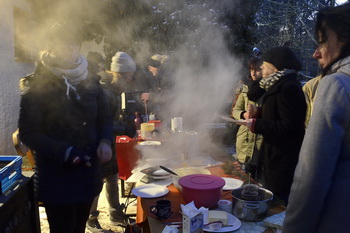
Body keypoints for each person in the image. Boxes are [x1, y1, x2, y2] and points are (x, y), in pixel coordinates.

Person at [18, 22, 113, 233]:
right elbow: (28, 133)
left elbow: (105, 118)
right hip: (57, 176)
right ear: (52, 47)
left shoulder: (89, 79)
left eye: (74, 44)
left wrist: (106, 141)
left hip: (88, 173)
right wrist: (66, 151)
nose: (70, 49)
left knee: (79, 227)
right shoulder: (38, 84)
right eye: (64, 44)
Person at [283, 4, 350, 233]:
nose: (316, 52)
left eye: (323, 40)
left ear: (345, 39)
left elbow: (311, 176)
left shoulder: (337, 85)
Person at [239, 46, 306, 204]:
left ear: (275, 67)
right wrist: (259, 112)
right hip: (273, 155)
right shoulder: (276, 86)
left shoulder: (289, 89)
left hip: (283, 160)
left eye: (265, 64)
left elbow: (290, 127)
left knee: (278, 203)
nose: (261, 67)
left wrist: (257, 124)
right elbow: (279, 115)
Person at [86, 52, 126, 232]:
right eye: (129, 76)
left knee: (112, 177)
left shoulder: (114, 90)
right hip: (98, 143)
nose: (131, 80)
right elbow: (101, 121)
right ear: (120, 74)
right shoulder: (105, 92)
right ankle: (90, 218)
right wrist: (123, 125)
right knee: (97, 180)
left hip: (109, 142)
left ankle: (115, 214)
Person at [231, 57, 264, 179]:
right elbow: (236, 110)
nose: (254, 73)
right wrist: (243, 114)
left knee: (258, 180)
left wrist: (258, 113)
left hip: (260, 140)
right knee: (243, 177)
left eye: (257, 70)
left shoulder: (270, 89)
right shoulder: (245, 88)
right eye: (251, 70)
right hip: (244, 139)